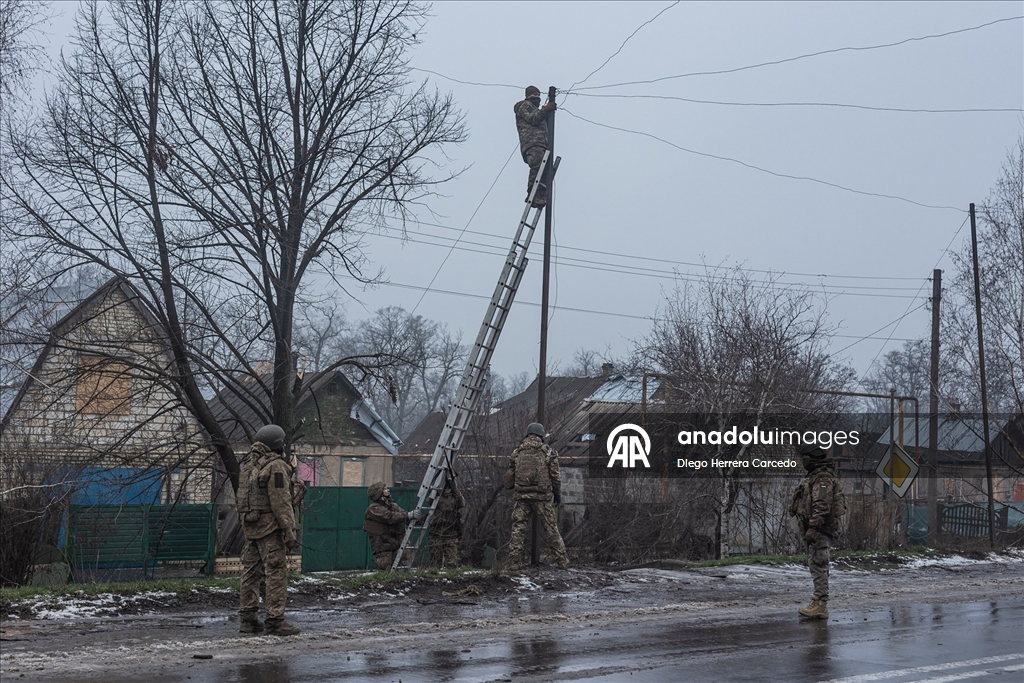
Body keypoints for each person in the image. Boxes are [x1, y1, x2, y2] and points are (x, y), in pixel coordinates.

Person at [236, 424, 301, 636]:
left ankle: (248, 619)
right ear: (277, 444)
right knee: (276, 573)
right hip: (270, 529)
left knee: (250, 573)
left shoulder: (248, 465)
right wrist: (289, 530)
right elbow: (281, 501)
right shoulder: (276, 466)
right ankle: (275, 621)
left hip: (251, 527)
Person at [789, 444, 846, 620]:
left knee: (819, 563)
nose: (803, 461)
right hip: (815, 528)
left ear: (812, 458)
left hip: (820, 529)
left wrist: (813, 527)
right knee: (816, 563)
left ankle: (820, 604)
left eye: (805, 457)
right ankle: (817, 601)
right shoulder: (815, 476)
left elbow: (822, 505)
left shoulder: (823, 478)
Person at [504, 422, 569, 570]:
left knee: (518, 529)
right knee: (551, 529)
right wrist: (557, 494)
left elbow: (510, 474)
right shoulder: (547, 452)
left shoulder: (517, 452)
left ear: (528, 434)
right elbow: (555, 476)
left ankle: (514, 563)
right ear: (541, 435)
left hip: (522, 497)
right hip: (542, 497)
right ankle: (562, 561)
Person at [364, 482, 422, 571]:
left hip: (399, 545)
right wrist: (408, 515)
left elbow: (404, 517)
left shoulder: (393, 506)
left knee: (403, 571)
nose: (388, 490)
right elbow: (390, 517)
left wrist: (423, 519)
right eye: (384, 489)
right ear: (378, 493)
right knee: (386, 571)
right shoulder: (373, 509)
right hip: (384, 547)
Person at [513, 85, 556, 207]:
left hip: (541, 143)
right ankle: (533, 194)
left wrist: (547, 112)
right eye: (534, 94)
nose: (537, 97)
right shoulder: (525, 106)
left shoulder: (534, 108)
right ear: (528, 95)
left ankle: (540, 195)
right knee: (537, 165)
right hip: (532, 142)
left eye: (538, 95)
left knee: (544, 169)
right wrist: (545, 109)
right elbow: (534, 118)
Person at [429, 478, 466, 568]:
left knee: (452, 562)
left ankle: (451, 575)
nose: (446, 489)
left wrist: (455, 490)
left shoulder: (454, 498)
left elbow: (462, 503)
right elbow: (429, 501)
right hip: (437, 532)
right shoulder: (437, 498)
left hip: (451, 532)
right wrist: (435, 491)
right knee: (435, 562)